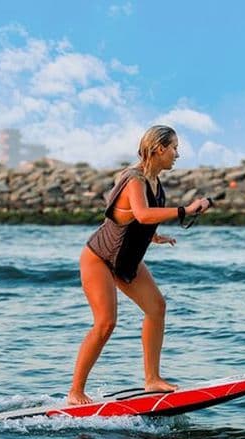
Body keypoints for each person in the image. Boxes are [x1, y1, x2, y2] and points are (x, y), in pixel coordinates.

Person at [68, 125, 212, 405]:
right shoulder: (134, 179)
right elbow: (143, 214)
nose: (177, 155)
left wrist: (154, 236)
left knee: (157, 307)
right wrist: (186, 210)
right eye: (174, 148)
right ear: (159, 148)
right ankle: (75, 392)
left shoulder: (155, 182)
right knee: (106, 323)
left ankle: (152, 380)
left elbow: (133, 218)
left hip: (126, 261)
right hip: (99, 259)